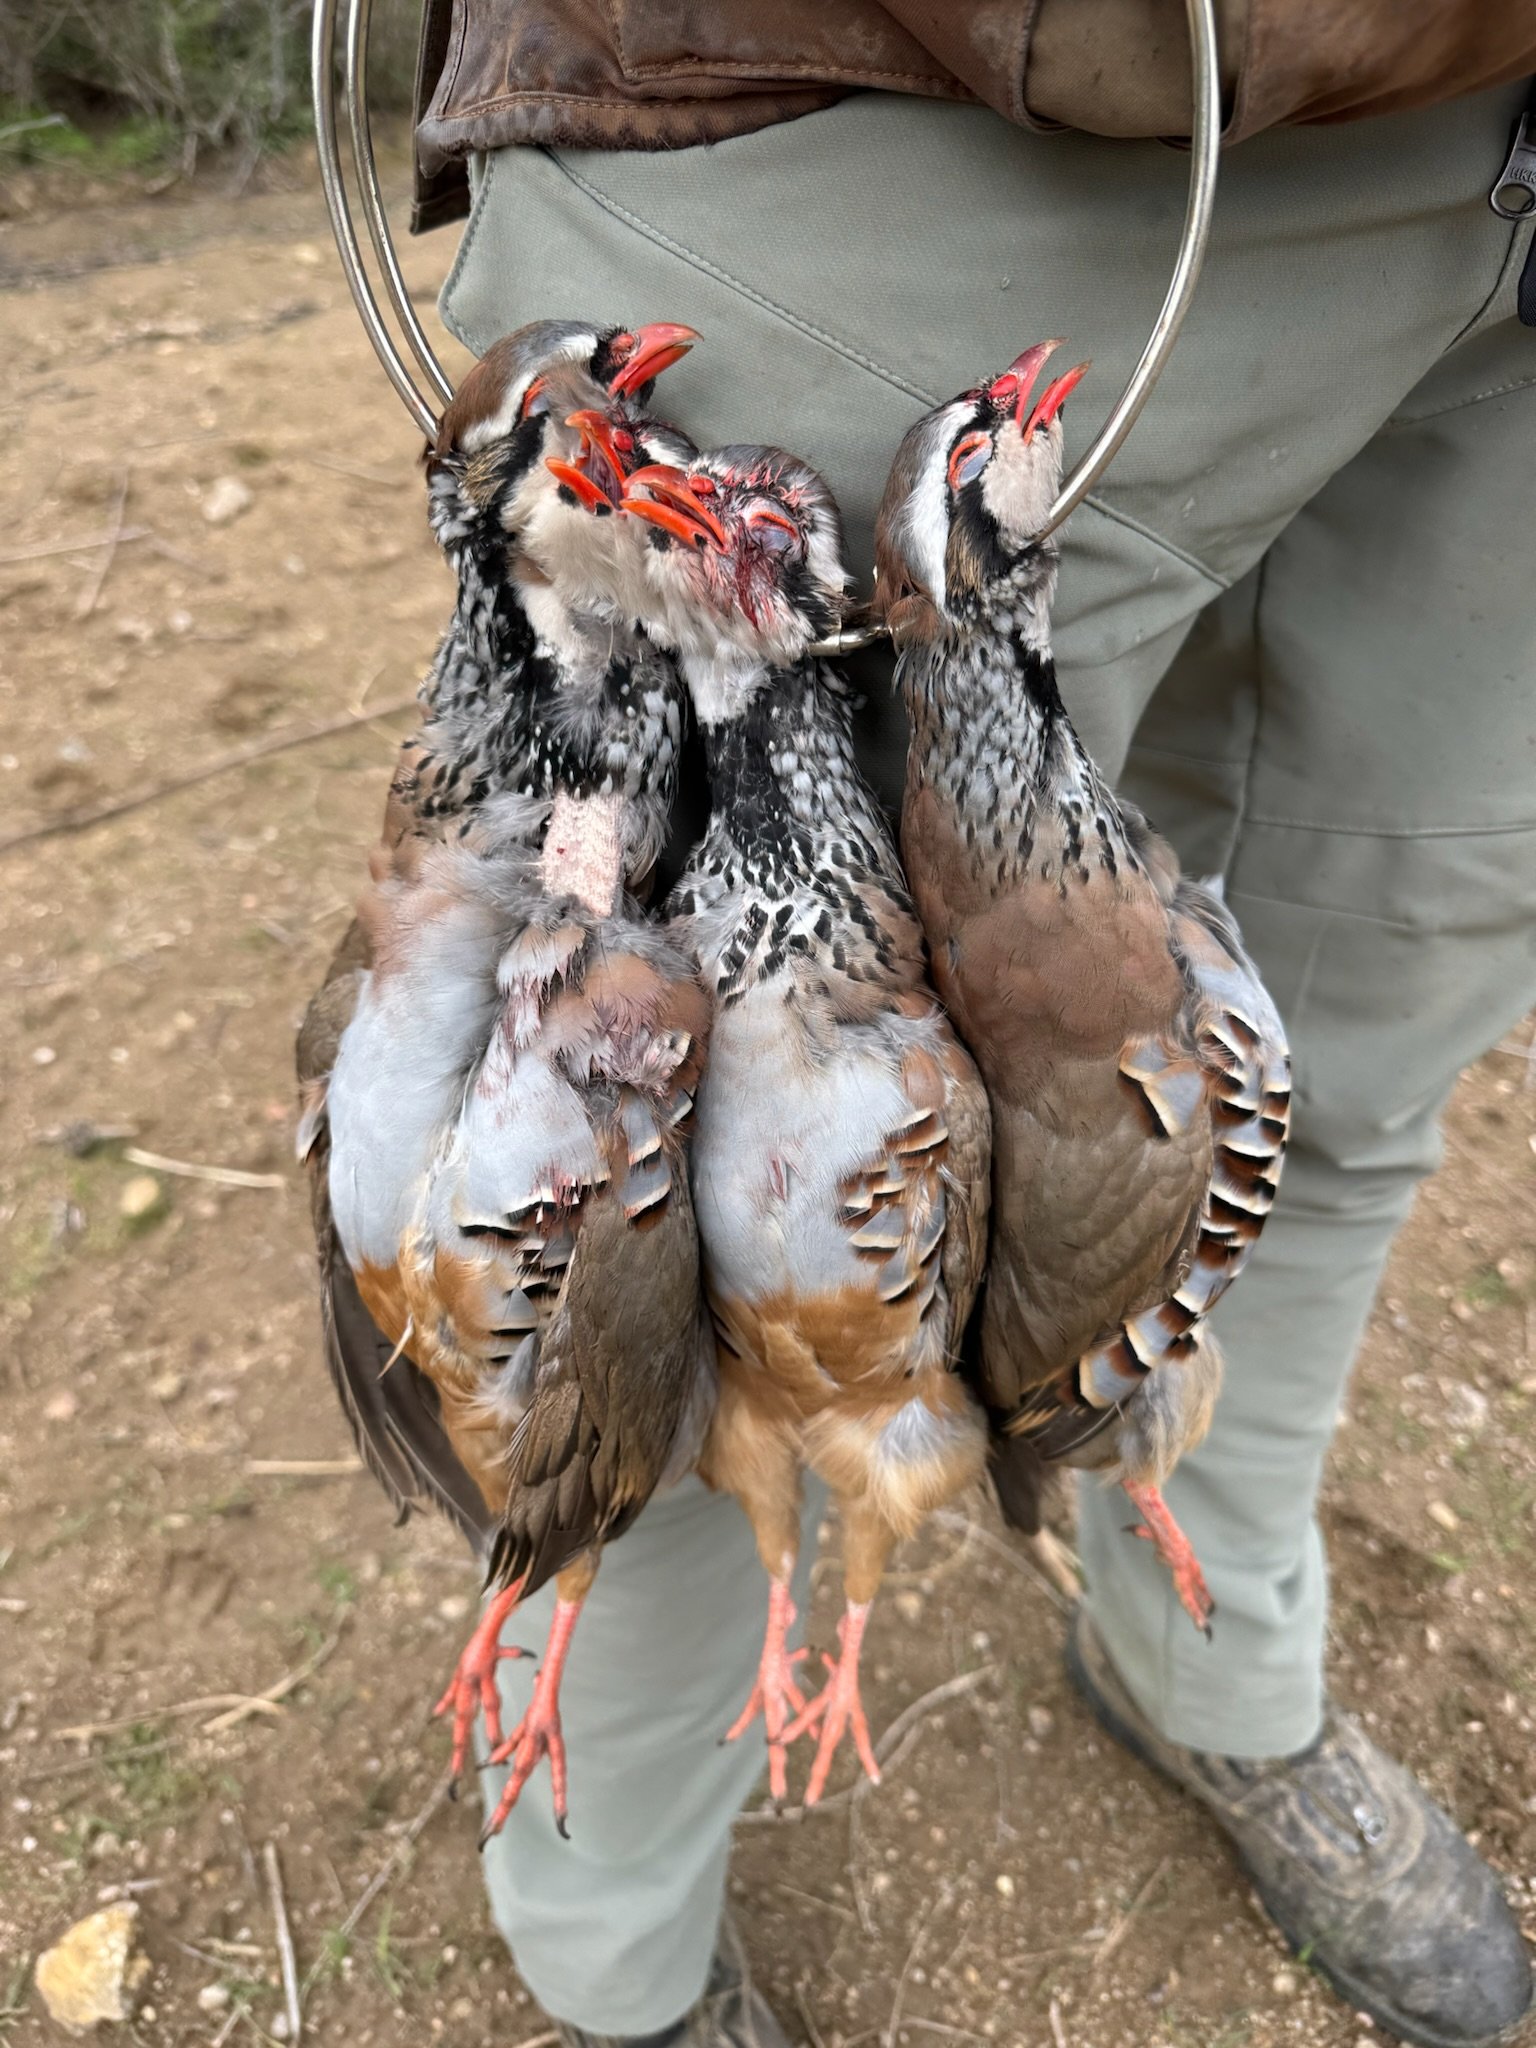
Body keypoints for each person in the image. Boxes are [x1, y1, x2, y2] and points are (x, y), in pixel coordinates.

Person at [403, 8, 1536, 2044]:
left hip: (1496, 181)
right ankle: (621, 1952)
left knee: (1326, 1061)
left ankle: (1216, 1672)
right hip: (883, 100)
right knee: (654, 1194)